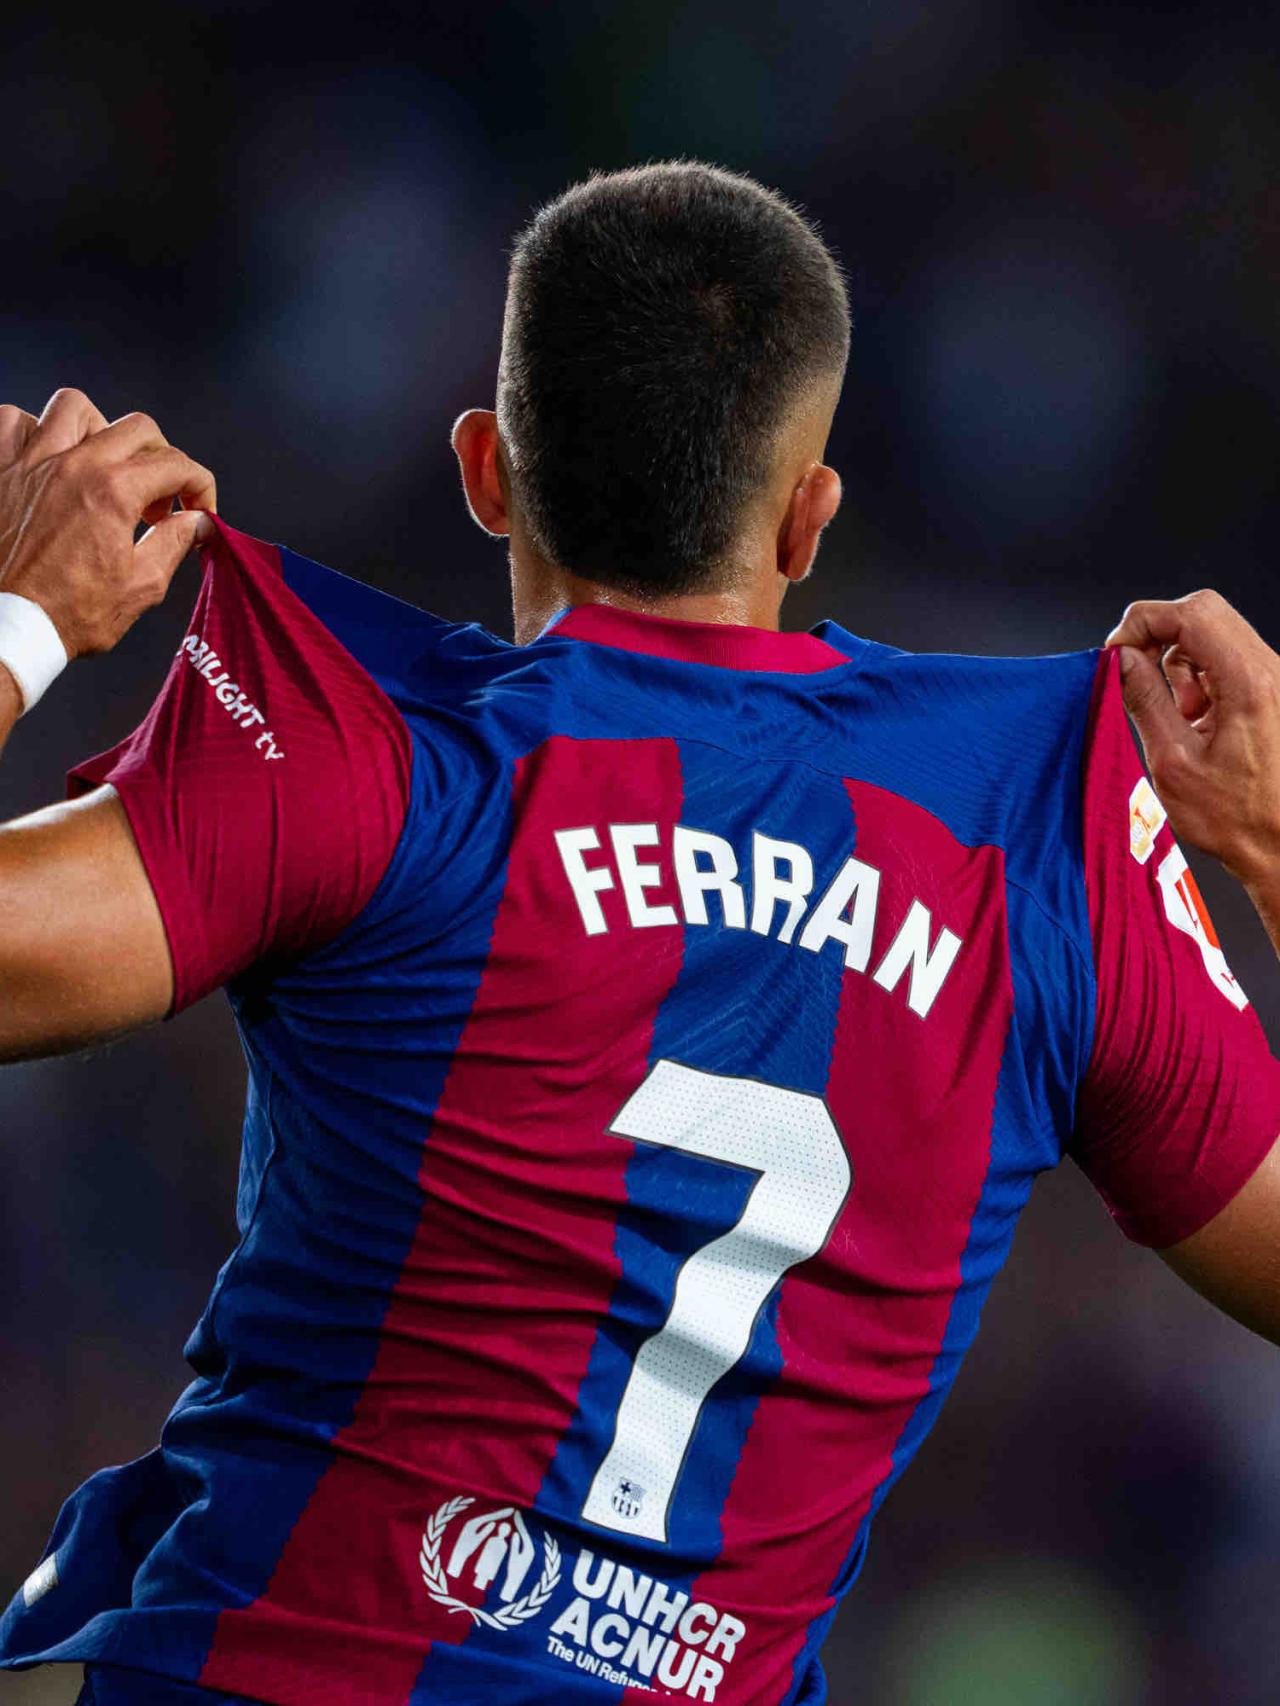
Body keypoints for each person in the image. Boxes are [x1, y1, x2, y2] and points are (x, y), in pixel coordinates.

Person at [0, 162, 1276, 1706]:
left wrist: (30, 615)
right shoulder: (1032, 836)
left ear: (485, 471)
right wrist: (1271, 845)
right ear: (809, 517)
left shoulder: (378, 763)